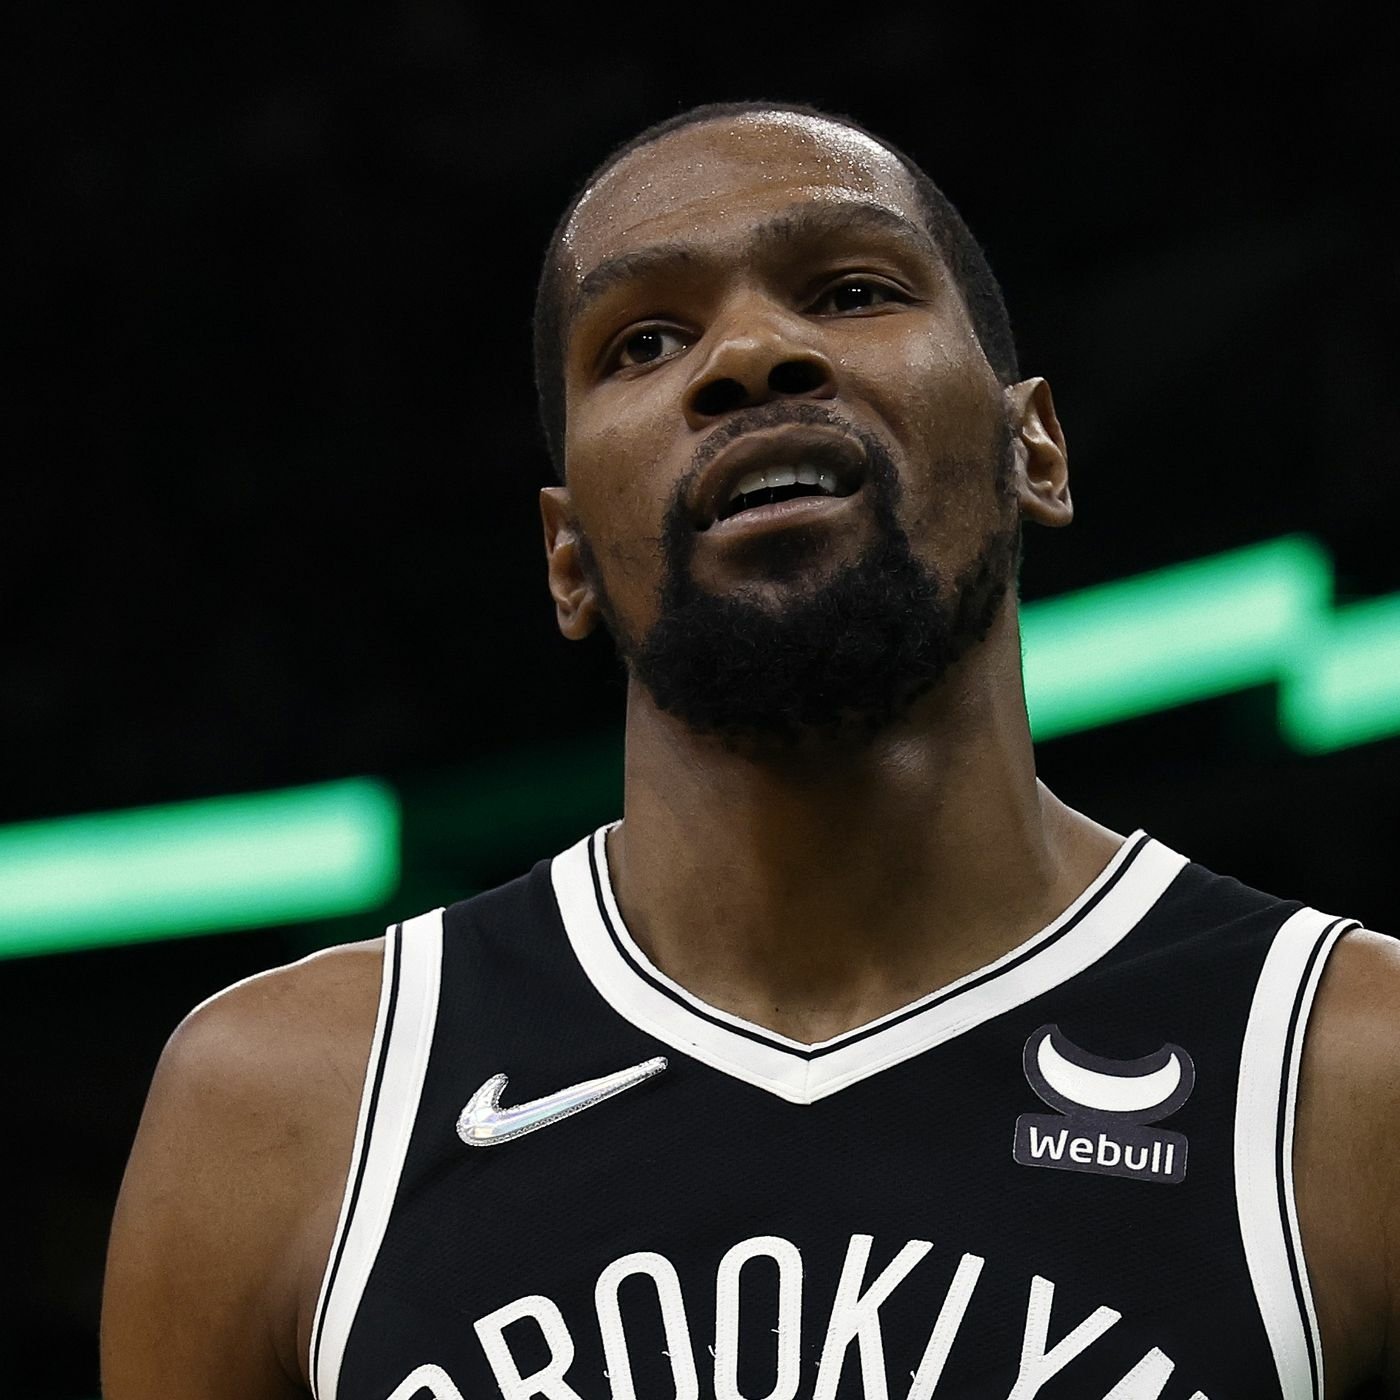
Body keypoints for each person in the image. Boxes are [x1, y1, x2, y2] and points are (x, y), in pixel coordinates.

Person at [101, 100, 1400, 1399]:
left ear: (1035, 448)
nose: (752, 354)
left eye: (849, 289)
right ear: (565, 558)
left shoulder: (1356, 1071)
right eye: (646, 340)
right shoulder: (282, 1106)